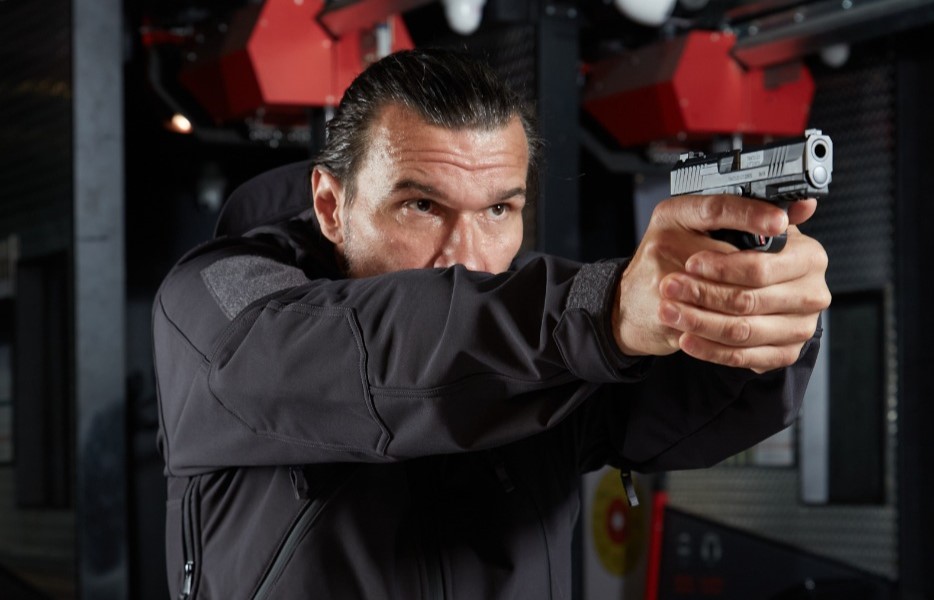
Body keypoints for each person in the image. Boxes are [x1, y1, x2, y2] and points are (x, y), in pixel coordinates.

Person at [153, 48, 829, 599]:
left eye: (498, 210)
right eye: (421, 206)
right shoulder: (217, 303)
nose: (467, 259)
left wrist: (753, 304)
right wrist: (606, 312)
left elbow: (678, 410)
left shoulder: (540, 319)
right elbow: (367, 350)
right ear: (332, 206)